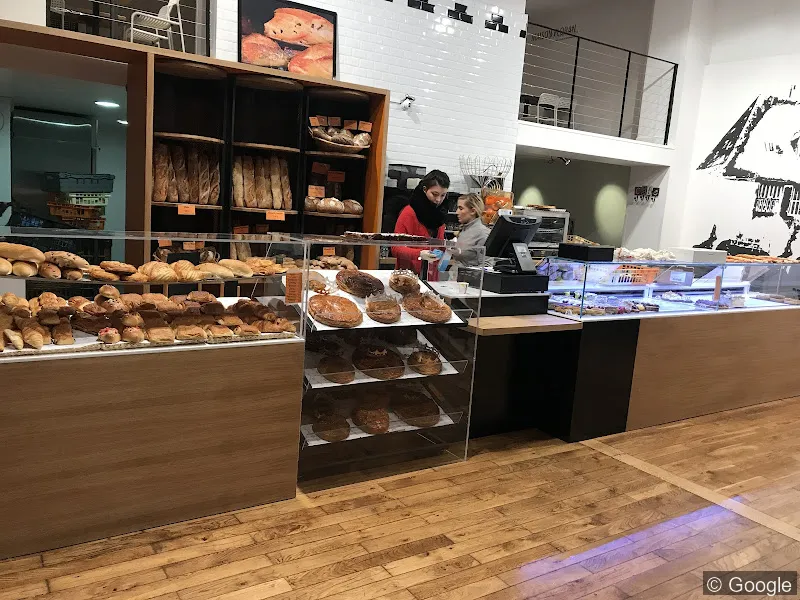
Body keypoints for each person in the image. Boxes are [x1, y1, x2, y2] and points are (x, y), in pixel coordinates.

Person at [391, 170, 450, 274]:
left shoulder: (440, 215)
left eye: (443, 195)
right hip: (407, 276)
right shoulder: (409, 213)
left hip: (430, 276)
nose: (438, 200)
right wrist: (420, 253)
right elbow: (396, 248)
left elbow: (439, 247)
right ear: (424, 189)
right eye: (434, 194)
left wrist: (449, 250)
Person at [451, 193, 489, 267]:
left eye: (461, 208)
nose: (457, 212)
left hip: (469, 278)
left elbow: (487, 266)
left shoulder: (482, 234)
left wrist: (466, 274)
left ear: (473, 211)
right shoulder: (464, 230)